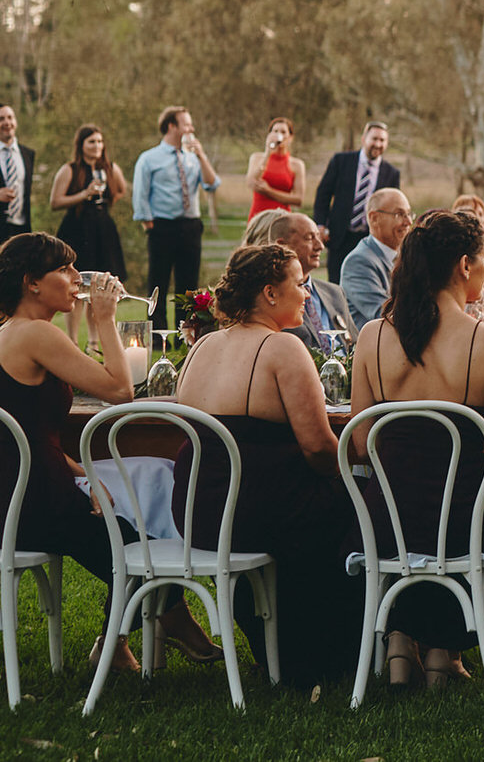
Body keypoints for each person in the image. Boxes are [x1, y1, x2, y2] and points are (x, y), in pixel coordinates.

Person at [0, 234, 220, 672]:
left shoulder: (10, 332)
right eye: (63, 270)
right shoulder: (37, 334)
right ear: (32, 284)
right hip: (39, 506)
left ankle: (133, 635)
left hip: (19, 493)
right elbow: (120, 390)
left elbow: (20, 434)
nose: (75, 279)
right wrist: (105, 318)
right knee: (148, 552)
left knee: (132, 535)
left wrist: (81, 470)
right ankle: (140, 631)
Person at [349, 210, 484, 690]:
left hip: (385, 520)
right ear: (464, 266)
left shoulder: (372, 336)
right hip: (461, 521)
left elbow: (357, 442)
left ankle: (401, 641)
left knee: (422, 521)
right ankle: (445, 649)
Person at [171, 244, 365, 687]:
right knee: (363, 517)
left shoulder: (202, 346)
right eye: (300, 283)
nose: (307, 294)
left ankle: (279, 648)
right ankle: (327, 655)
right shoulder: (283, 348)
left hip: (200, 510)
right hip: (259, 506)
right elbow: (317, 447)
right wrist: (353, 475)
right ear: (269, 293)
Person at [131, 105, 221, 330]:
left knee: (188, 286)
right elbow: (140, 193)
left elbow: (211, 184)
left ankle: (185, 333)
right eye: (187, 124)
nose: (191, 128)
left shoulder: (193, 157)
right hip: (162, 226)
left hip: (190, 226)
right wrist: (147, 222)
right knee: (158, 283)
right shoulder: (149, 158)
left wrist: (201, 154)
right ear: (172, 126)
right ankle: (158, 332)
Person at [252, 209, 356, 351]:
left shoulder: (334, 293)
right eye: (309, 238)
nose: (320, 246)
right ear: (283, 245)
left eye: (319, 237)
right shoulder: (271, 298)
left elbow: (356, 344)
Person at [310, 122, 397, 284]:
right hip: (339, 237)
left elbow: (393, 209)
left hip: (370, 239)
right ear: (364, 139)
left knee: (366, 283)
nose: (378, 144)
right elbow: (323, 194)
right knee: (335, 286)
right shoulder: (341, 161)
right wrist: (321, 224)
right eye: (374, 139)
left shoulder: (391, 173)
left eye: (382, 140)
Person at [49, 124, 128, 282]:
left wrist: (106, 201)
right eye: (92, 142)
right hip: (77, 227)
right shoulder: (70, 169)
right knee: (78, 280)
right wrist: (84, 195)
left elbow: (121, 190)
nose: (97, 145)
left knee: (104, 280)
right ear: (81, 145)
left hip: (103, 227)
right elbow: (55, 202)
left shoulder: (110, 168)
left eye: (100, 141)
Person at [340, 187, 412, 327]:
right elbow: (385, 314)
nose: (408, 222)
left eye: (409, 214)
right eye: (399, 214)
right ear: (374, 218)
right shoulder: (358, 262)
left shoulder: (407, 256)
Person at [245, 117, 306, 218]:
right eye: (275, 131)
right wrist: (267, 153)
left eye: (283, 132)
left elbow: (298, 200)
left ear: (290, 137)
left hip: (282, 218)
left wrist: (269, 191)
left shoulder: (297, 165)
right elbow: (251, 182)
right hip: (258, 216)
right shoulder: (257, 158)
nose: (278, 135)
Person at [0, 105, 34, 246]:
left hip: (22, 229)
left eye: (10, 117)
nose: (7, 122)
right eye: (1, 119)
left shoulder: (28, 154)